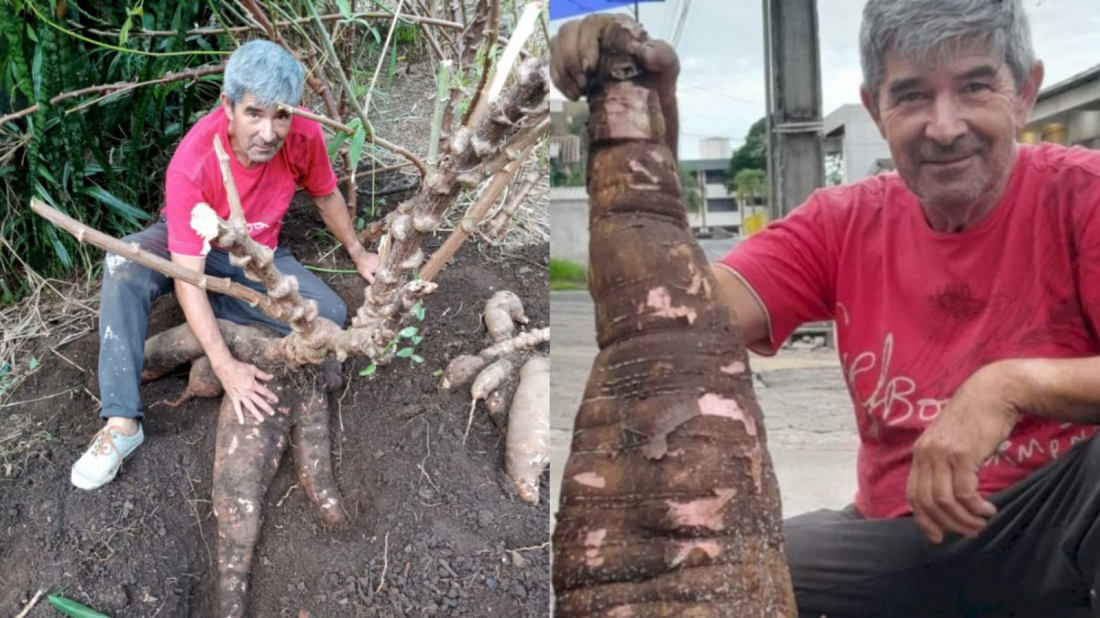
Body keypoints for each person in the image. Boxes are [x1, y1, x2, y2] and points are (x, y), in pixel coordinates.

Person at [552, 1, 1100, 615]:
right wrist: (649, 121)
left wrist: (1010, 386)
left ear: (1024, 93)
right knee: (723, 569)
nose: (944, 126)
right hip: (899, 542)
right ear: (875, 108)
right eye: (912, 95)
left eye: (975, 86)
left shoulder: (1083, 194)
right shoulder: (841, 223)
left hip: (1056, 526)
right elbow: (675, 321)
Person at [71, 40, 378, 491]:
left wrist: (357, 251)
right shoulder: (194, 162)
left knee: (328, 316)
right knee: (124, 263)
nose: (269, 132)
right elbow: (189, 272)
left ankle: (212, 318)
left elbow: (324, 192)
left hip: (258, 255)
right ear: (228, 107)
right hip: (189, 246)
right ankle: (122, 425)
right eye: (254, 113)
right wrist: (226, 367)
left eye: (280, 116)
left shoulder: (303, 134)